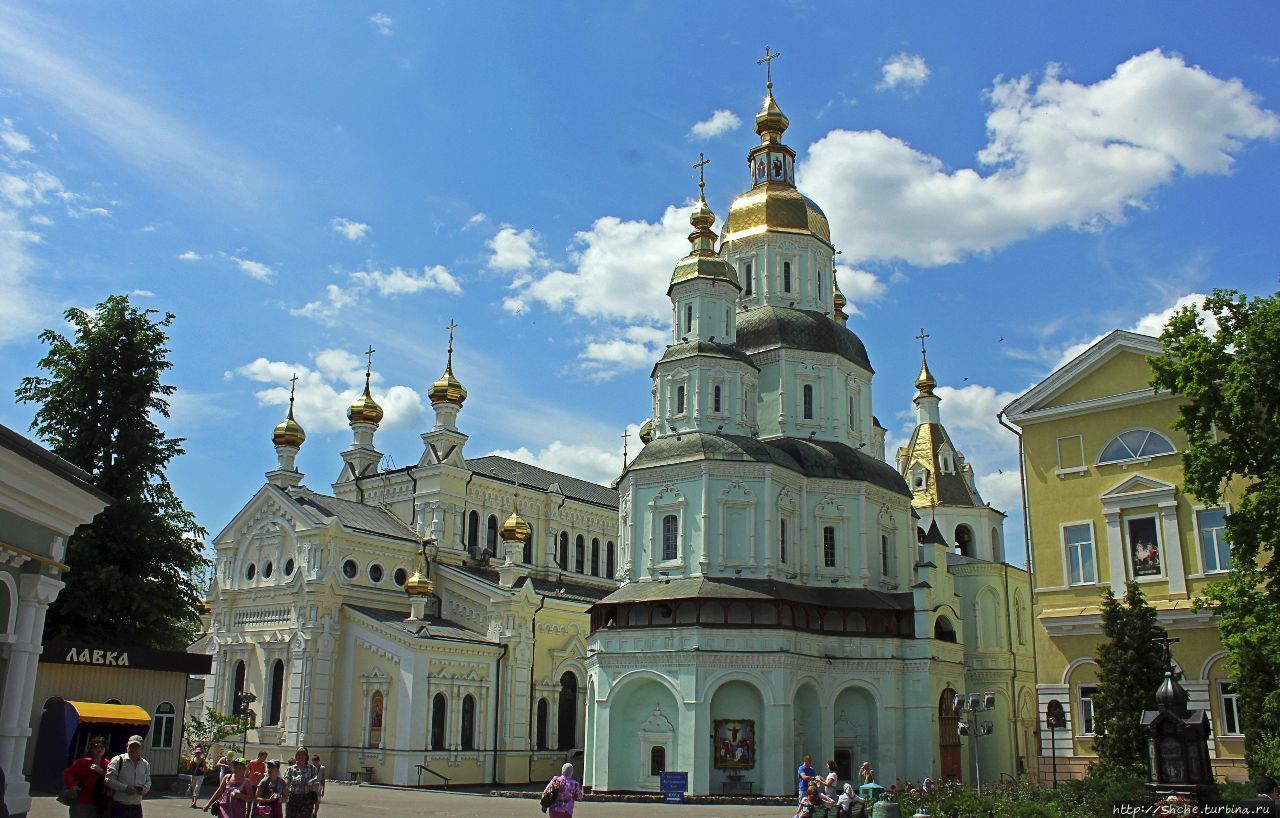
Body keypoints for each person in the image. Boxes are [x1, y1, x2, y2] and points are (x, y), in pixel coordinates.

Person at [61, 737, 109, 818]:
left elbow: (112, 779)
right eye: (97, 747)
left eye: (102, 747)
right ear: (91, 749)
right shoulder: (83, 762)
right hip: (82, 802)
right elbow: (67, 773)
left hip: (99, 803)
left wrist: (101, 771)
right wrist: (71, 786)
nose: (99, 749)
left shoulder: (108, 764)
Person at [105, 735, 151, 818]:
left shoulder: (145, 764)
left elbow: (148, 781)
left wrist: (145, 789)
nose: (134, 749)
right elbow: (108, 780)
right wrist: (125, 788)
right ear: (127, 746)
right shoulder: (118, 760)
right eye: (132, 746)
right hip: (119, 807)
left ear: (142, 748)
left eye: (137, 746)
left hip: (136, 807)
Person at [283, 748, 317, 818]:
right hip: (293, 799)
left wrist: (315, 786)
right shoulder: (290, 769)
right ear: (296, 756)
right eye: (298, 754)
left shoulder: (312, 768)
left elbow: (315, 782)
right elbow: (286, 783)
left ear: (306, 757)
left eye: (303, 754)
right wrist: (284, 794)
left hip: (306, 800)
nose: (300, 756)